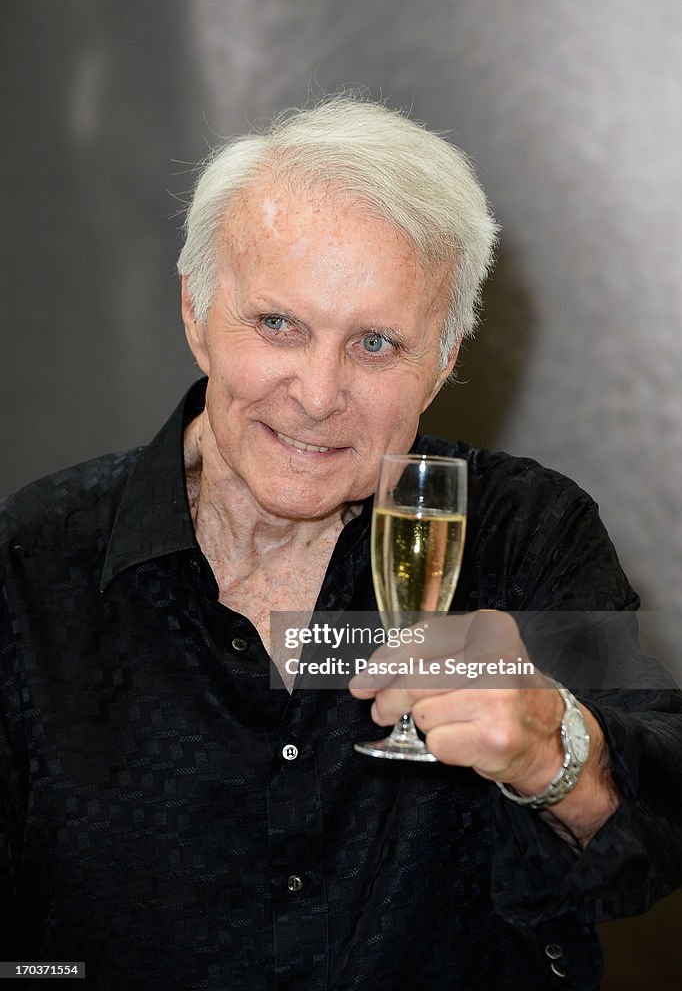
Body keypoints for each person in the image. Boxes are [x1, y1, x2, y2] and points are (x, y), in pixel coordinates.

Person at [1, 96, 680, 991]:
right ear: (195, 314)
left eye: (376, 343)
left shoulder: (530, 535)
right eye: (277, 324)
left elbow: (660, 830)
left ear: (442, 359)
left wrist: (554, 751)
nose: (319, 394)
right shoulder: (34, 561)